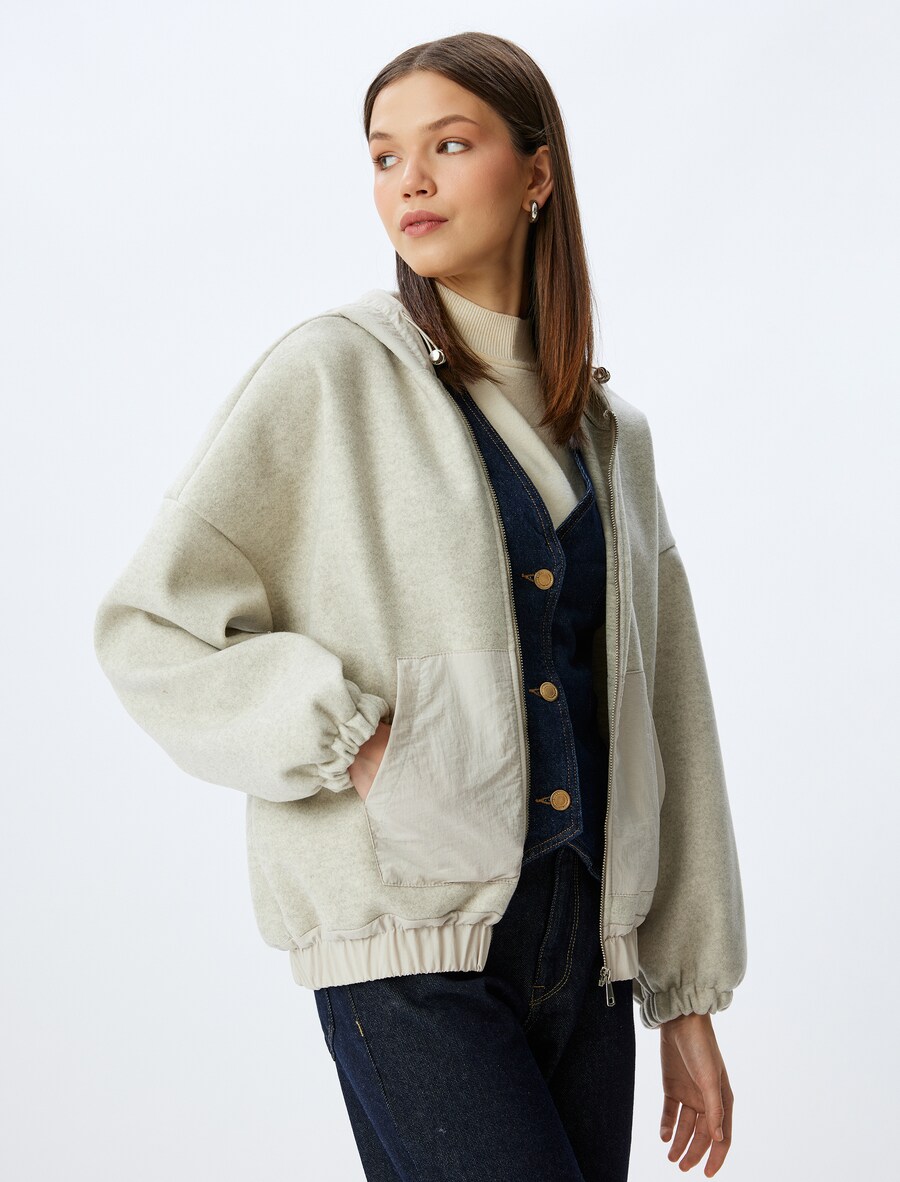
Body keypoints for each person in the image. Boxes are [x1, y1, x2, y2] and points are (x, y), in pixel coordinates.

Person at [93, 30, 746, 1182]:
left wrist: (685, 996)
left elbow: (669, 718)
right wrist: (353, 739)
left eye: (449, 144)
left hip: (590, 951)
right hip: (403, 944)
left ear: (536, 173)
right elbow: (152, 624)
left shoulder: (612, 437)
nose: (412, 182)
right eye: (385, 156)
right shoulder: (333, 372)